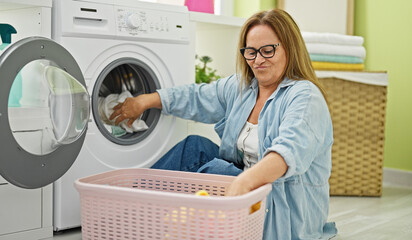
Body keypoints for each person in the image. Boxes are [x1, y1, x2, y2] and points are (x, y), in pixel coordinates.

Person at [110, 9, 337, 240]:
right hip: (244, 185)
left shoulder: (305, 97)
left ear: (290, 48)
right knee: (194, 146)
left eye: (268, 51)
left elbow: (287, 153)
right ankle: (127, 209)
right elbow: (197, 97)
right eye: (251, 52)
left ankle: (149, 219)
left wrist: (243, 181)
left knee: (216, 172)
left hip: (279, 206)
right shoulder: (244, 88)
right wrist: (146, 100)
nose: (258, 60)